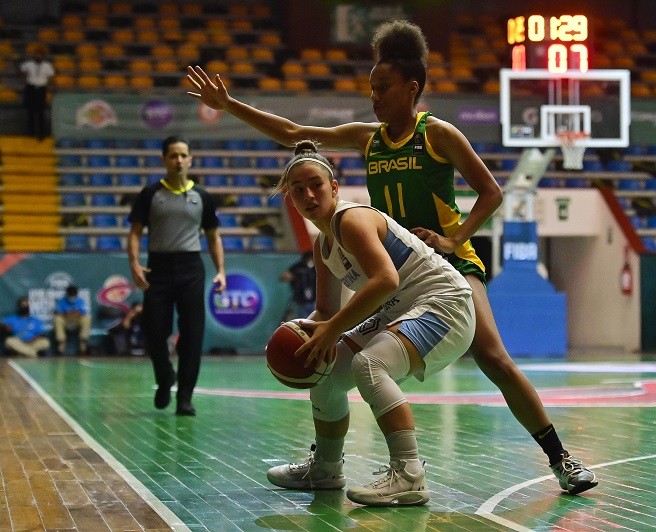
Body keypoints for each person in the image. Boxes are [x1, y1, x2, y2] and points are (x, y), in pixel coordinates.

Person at [186, 20, 597, 494]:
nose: (375, 97)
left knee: (493, 357)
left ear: (412, 89)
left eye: (383, 88)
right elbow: (295, 131)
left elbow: (491, 192)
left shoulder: (438, 134)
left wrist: (454, 236)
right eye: (371, 88)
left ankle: (561, 459)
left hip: (445, 267)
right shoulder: (369, 138)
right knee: (337, 361)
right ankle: (326, 462)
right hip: (394, 275)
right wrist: (229, 105)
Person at [267, 141, 476, 506]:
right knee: (329, 374)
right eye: (297, 189)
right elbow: (327, 311)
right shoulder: (322, 245)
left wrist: (331, 331)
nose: (308, 194)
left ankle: (409, 475)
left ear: (334, 188)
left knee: (370, 363)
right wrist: (298, 336)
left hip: (445, 303)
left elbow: (385, 280)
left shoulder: (352, 219)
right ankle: (326, 469)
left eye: (315, 184)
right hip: (400, 310)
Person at [127, 135, 227, 416]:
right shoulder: (150, 194)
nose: (179, 160)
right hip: (157, 267)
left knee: (193, 335)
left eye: (183, 155)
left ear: (190, 159)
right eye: (173, 155)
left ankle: (185, 397)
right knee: (153, 330)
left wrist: (221, 271)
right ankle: (164, 377)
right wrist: (134, 263)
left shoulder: (202, 196)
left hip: (191, 268)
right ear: (164, 159)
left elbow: (213, 236)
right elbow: (135, 232)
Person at [18, 44, 55, 140]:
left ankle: (41, 135)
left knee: (41, 112)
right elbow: (21, 70)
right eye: (36, 54)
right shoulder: (28, 64)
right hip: (31, 88)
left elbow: (51, 76)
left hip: (41, 89)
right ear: (34, 55)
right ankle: (31, 134)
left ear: (43, 56)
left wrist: (47, 85)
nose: (38, 56)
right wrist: (26, 79)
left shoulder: (47, 65)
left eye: (40, 54)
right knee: (30, 112)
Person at [53, 284, 91, 356]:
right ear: (67, 294)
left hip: (76, 322)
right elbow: (58, 312)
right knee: (58, 318)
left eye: (74, 294)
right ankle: (61, 348)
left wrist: (74, 314)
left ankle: (83, 348)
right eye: (70, 294)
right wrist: (68, 314)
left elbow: (83, 312)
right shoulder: (62, 301)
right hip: (66, 322)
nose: (72, 296)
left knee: (86, 318)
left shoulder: (80, 301)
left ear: (76, 294)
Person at [280, 250, 316, 320]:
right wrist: (295, 275)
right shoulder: (298, 267)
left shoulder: (315, 268)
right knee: (301, 319)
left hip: (314, 300)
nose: (311, 261)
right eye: (309, 259)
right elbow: (283, 277)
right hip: (300, 300)